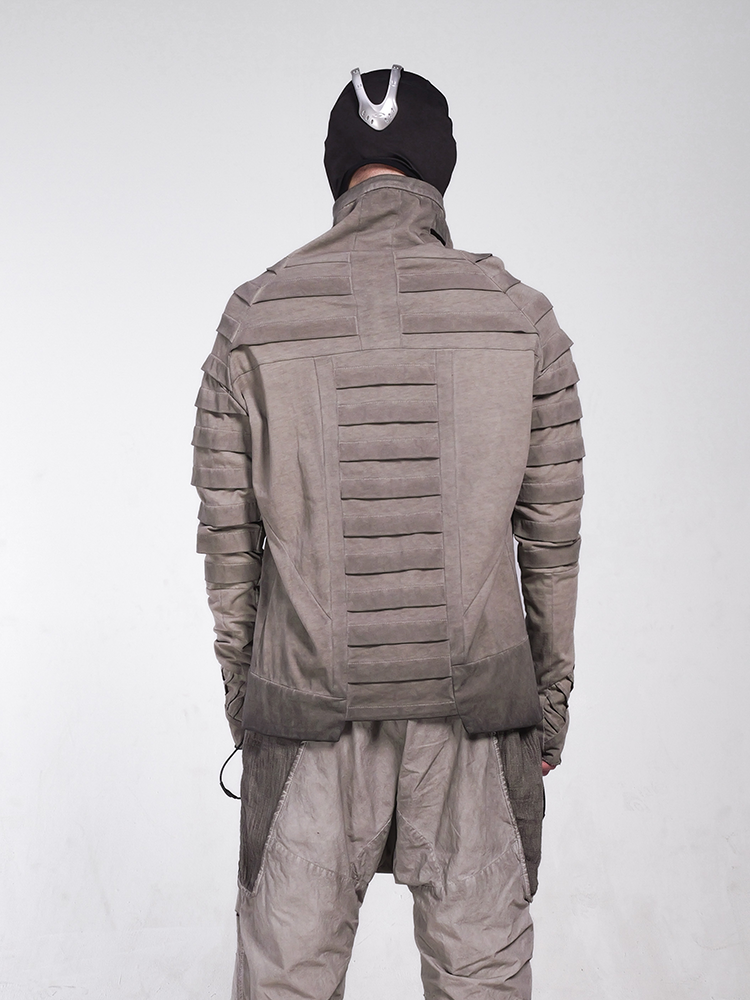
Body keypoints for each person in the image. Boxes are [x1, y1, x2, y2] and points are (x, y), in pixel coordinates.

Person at [192, 65, 583, 1000]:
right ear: (439, 167)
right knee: (482, 982)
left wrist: (248, 696)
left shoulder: (255, 316)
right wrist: (549, 703)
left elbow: (227, 536)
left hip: (304, 711)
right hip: (477, 717)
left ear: (337, 167)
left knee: (284, 983)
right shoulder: (522, 319)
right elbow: (553, 540)